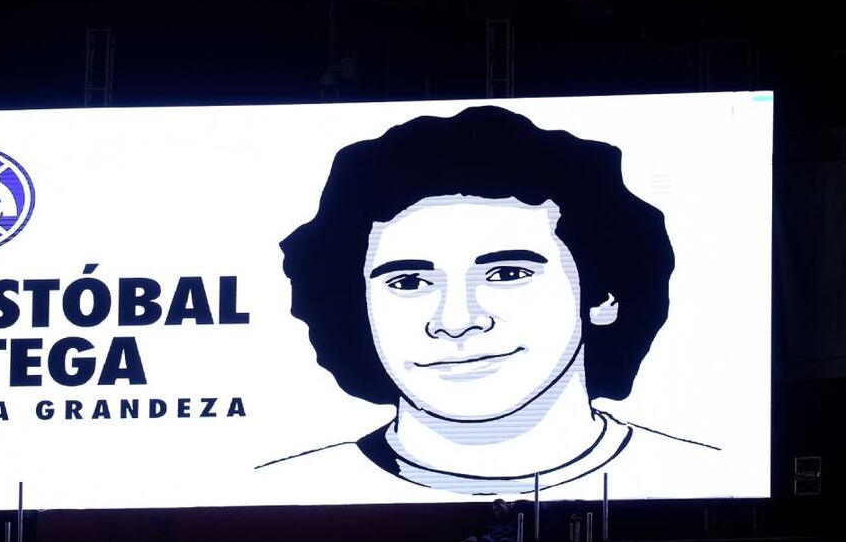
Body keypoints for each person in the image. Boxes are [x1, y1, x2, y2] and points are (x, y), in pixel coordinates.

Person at [258, 105, 719, 495]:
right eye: (408, 283)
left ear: (603, 295)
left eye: (507, 274)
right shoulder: (285, 488)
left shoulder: (700, 475)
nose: (456, 320)